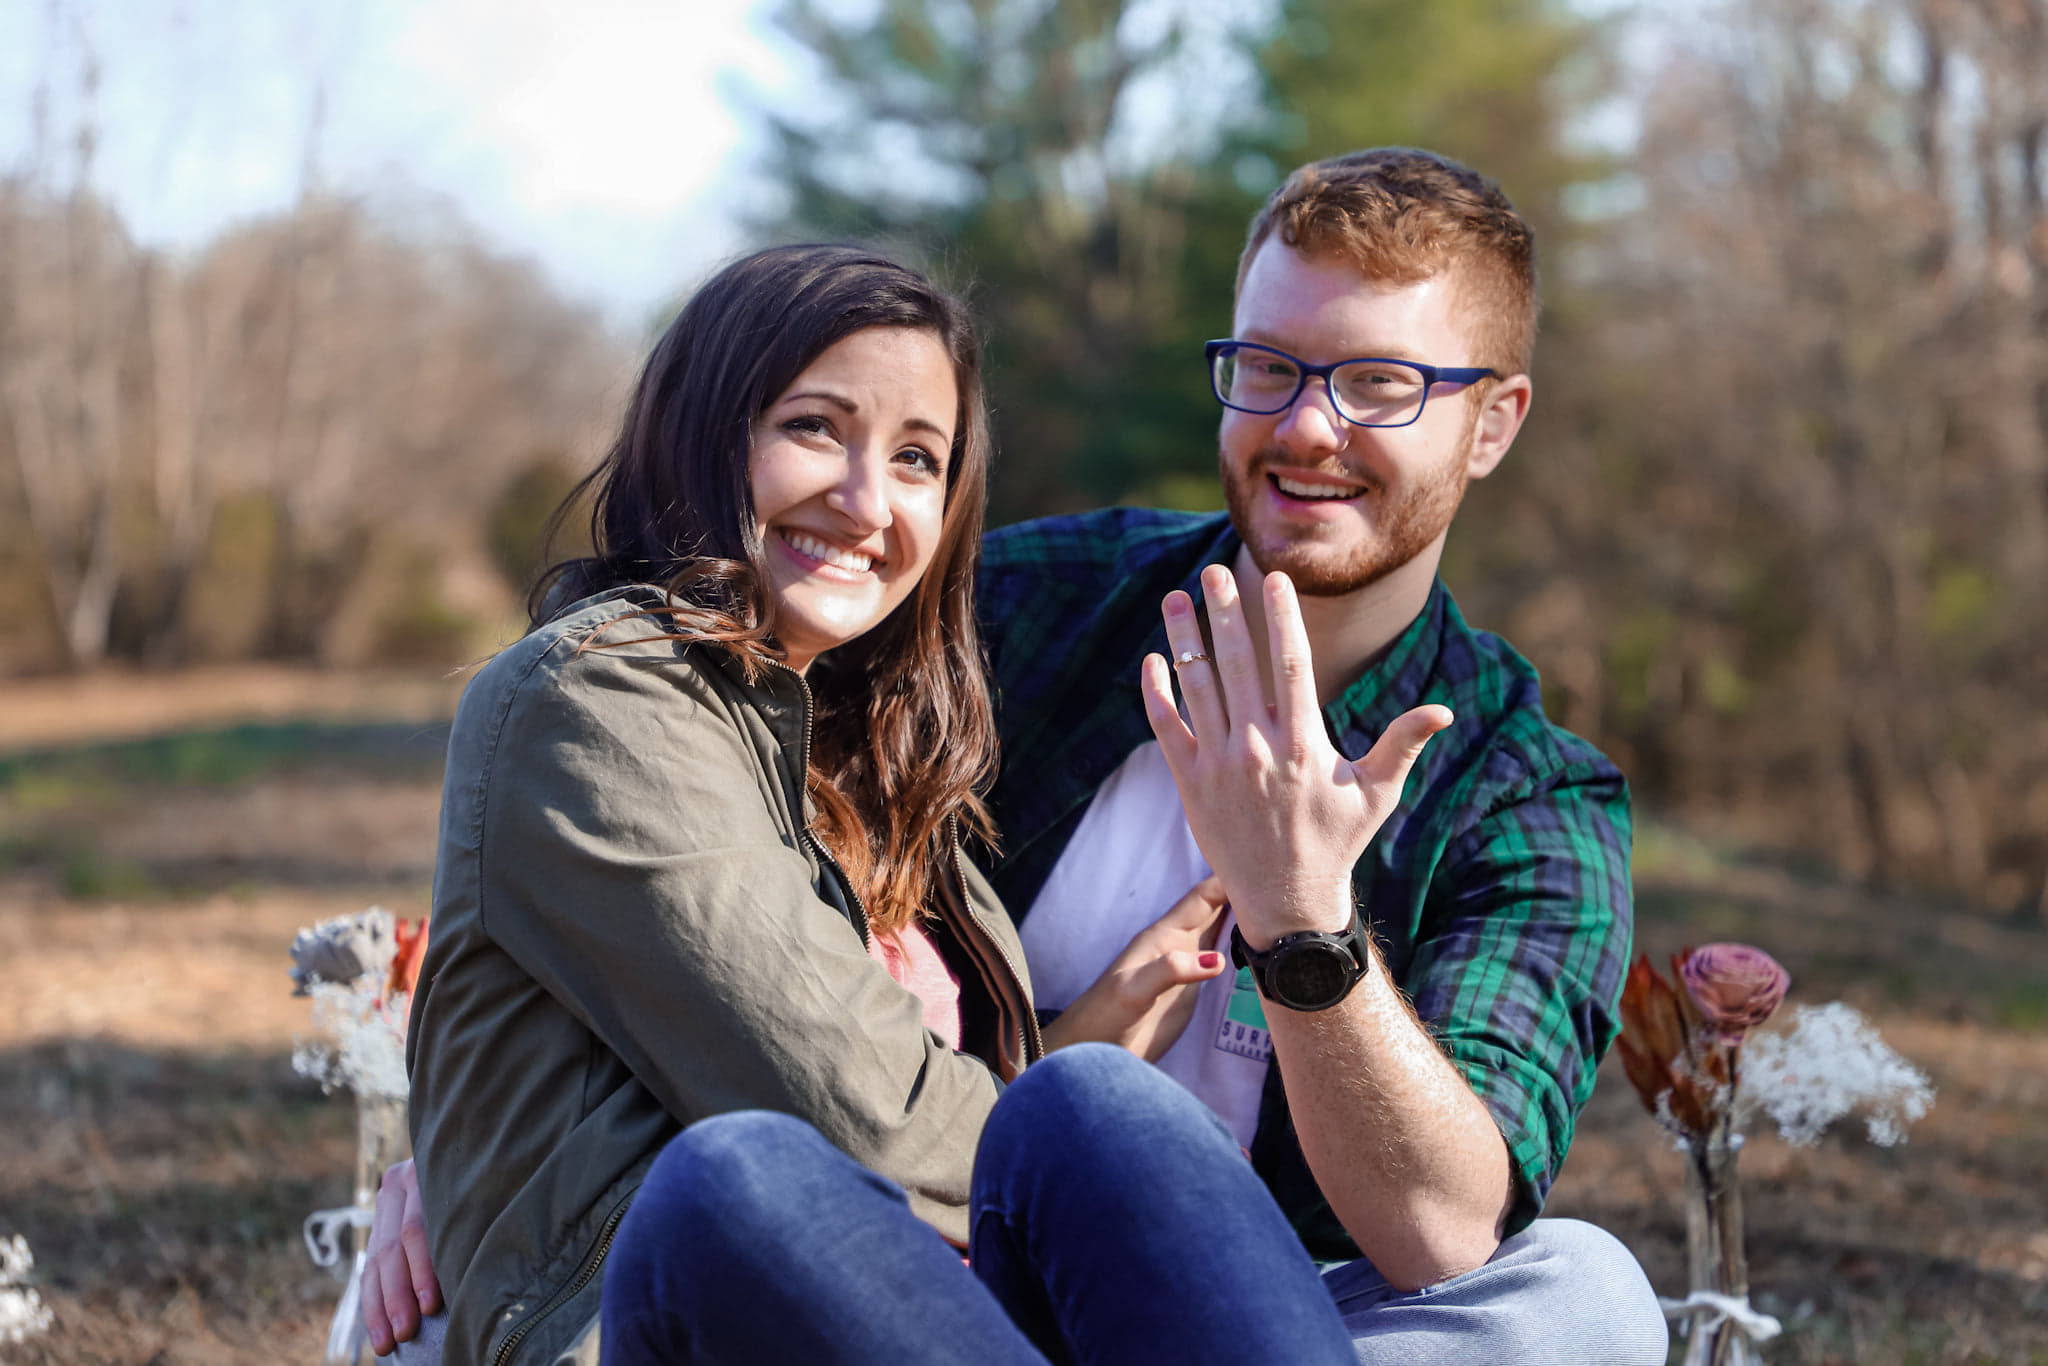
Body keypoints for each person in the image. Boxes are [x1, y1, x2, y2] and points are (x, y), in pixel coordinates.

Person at [371, 147, 1670, 1364]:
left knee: (1581, 1289)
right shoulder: (1012, 618)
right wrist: (476, 1117)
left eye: (1379, 383)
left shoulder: (1525, 794)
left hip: (1237, 1312)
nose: (1309, 426)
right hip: (899, 1281)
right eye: (1269, 366)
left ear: (1493, 423)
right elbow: (680, 841)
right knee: (1028, 1123)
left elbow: (1445, 1235)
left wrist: (1305, 925)